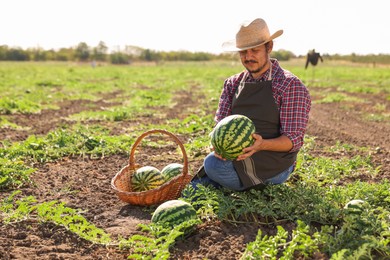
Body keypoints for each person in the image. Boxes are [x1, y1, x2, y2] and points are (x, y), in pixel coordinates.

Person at [191, 18, 311, 191]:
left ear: (269, 47)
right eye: (243, 52)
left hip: (274, 162)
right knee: (212, 162)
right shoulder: (232, 84)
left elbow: (293, 140)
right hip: (238, 157)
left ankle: (221, 186)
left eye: (255, 50)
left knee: (211, 167)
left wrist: (261, 145)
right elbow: (220, 125)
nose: (248, 57)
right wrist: (216, 145)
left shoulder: (290, 85)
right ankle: (231, 185)